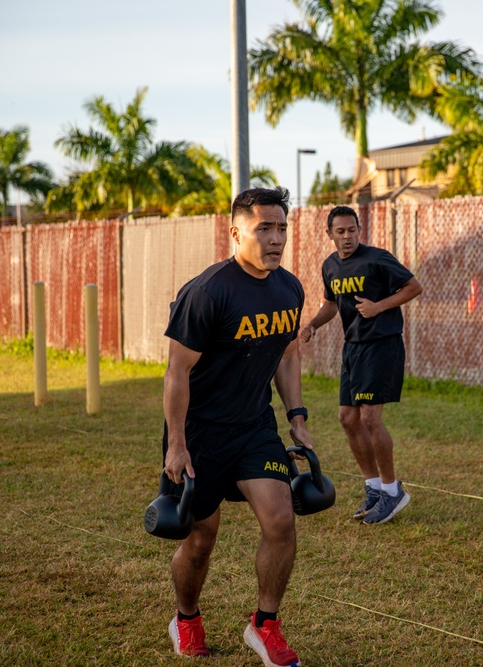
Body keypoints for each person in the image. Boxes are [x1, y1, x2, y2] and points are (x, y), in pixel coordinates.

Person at [161, 186, 311, 665]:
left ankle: (264, 625)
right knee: (201, 538)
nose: (275, 238)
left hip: (253, 426)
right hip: (201, 432)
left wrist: (297, 417)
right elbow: (176, 372)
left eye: (281, 228)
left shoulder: (290, 287)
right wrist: (178, 446)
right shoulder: (207, 292)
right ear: (235, 232)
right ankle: (186, 618)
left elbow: (287, 355)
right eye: (264, 228)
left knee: (281, 520)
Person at [299, 205, 422, 525]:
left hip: (382, 344)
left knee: (369, 417)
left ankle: (393, 491)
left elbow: (413, 287)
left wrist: (379, 306)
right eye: (340, 231)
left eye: (351, 230)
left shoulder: (376, 258)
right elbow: (331, 304)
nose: (347, 236)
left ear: (358, 230)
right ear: (330, 235)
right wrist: (312, 324)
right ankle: (374, 488)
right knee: (347, 418)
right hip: (352, 348)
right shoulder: (330, 266)